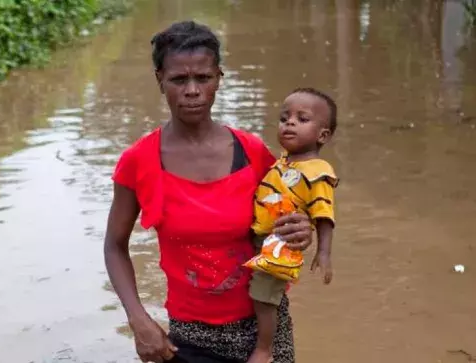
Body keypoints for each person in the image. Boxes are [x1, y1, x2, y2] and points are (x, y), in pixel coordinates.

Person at [104, 21, 313, 363]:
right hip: (189, 335)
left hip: (264, 327)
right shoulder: (138, 162)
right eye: (178, 79)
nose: (192, 90)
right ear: (160, 80)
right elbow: (114, 246)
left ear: (219, 78)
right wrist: (138, 319)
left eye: (203, 78)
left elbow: (284, 227)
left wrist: (300, 231)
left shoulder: (253, 153)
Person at [246, 88, 339, 363]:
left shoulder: (318, 172)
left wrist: (323, 253)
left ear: (322, 135)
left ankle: (264, 349)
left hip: (281, 244)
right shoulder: (285, 162)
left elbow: (324, 215)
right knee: (259, 293)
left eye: (302, 118)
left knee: (264, 296)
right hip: (264, 237)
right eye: (285, 117)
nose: (290, 123)